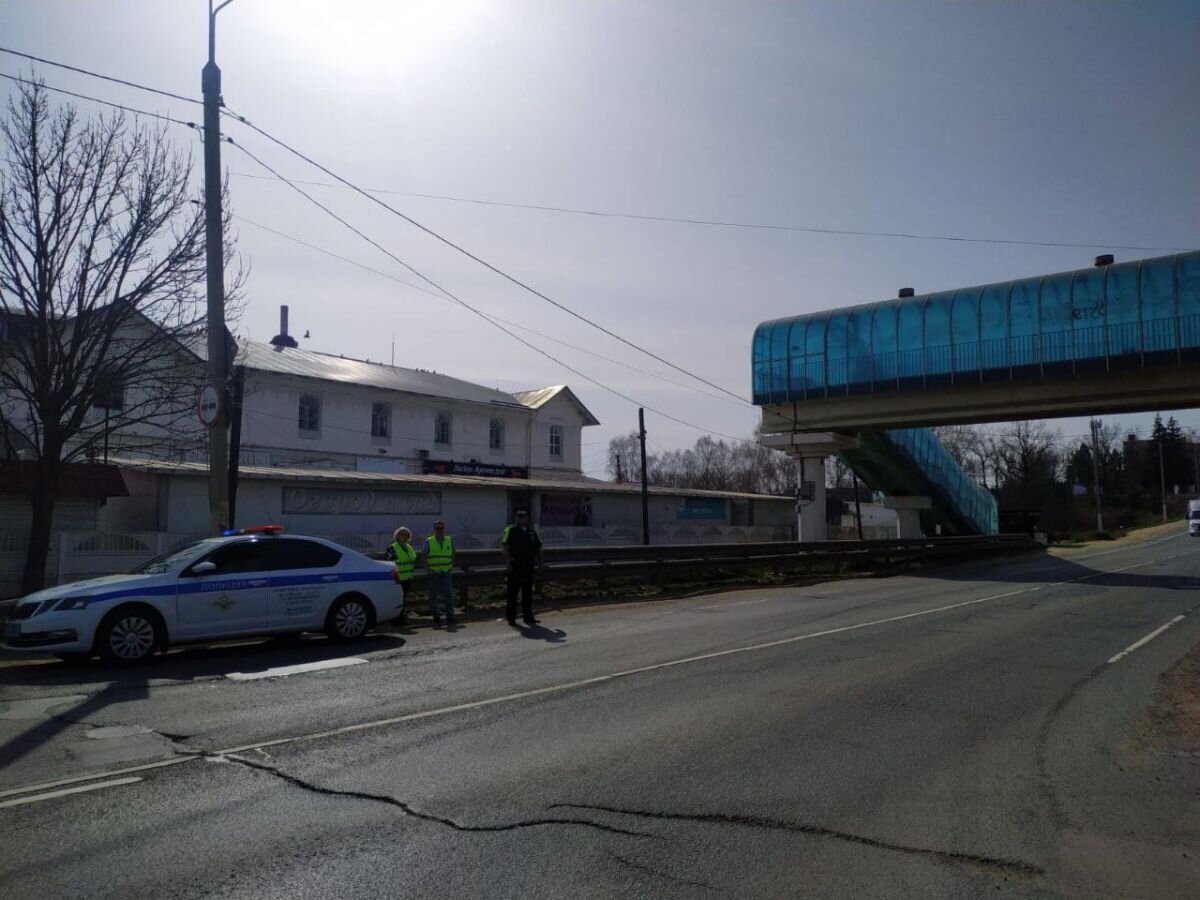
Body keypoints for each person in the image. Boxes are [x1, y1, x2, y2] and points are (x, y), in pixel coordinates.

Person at [501, 509, 543, 626]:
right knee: (512, 594)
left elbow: (538, 547)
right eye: (519, 516)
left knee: (527, 593)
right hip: (515, 566)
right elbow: (505, 546)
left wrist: (540, 562)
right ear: (516, 517)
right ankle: (511, 618)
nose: (521, 518)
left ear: (527, 517)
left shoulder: (531, 532)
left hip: (528, 566)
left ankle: (528, 617)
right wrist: (508, 563)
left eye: (523, 516)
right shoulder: (511, 529)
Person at [423, 520, 456, 627]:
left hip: (446, 571)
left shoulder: (448, 540)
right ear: (434, 529)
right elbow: (424, 555)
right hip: (434, 572)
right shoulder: (429, 541)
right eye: (437, 528)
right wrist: (428, 569)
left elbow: (453, 553)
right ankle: (436, 618)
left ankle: (450, 617)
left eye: (441, 528)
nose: (439, 530)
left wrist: (451, 565)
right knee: (434, 596)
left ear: (444, 528)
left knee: (449, 595)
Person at [384, 526, 415, 626]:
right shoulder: (392, 548)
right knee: (397, 600)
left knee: (402, 600)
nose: (405, 536)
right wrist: (394, 577)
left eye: (407, 535)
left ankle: (401, 619)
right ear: (398, 536)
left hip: (407, 578)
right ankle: (395, 620)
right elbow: (388, 564)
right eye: (403, 534)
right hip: (397, 579)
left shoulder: (409, 547)